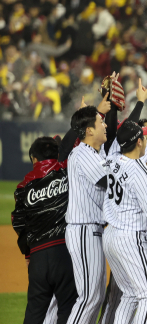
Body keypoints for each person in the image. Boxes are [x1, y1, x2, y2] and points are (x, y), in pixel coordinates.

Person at [102, 121, 147, 324]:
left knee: (130, 295)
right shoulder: (141, 173)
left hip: (111, 235)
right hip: (130, 237)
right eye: (145, 136)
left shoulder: (112, 161)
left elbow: (127, 174)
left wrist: (146, 165)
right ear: (139, 142)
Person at [11, 137, 78, 324]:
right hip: (63, 252)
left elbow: (18, 222)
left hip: (38, 258)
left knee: (34, 311)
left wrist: (27, 252)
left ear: (33, 159)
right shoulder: (66, 172)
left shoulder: (23, 188)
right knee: (67, 308)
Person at [65, 102, 113, 324]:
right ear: (88, 130)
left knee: (96, 296)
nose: (104, 125)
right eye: (100, 121)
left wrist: (107, 108)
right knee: (89, 297)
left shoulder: (95, 151)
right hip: (83, 229)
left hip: (92, 230)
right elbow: (108, 181)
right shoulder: (81, 153)